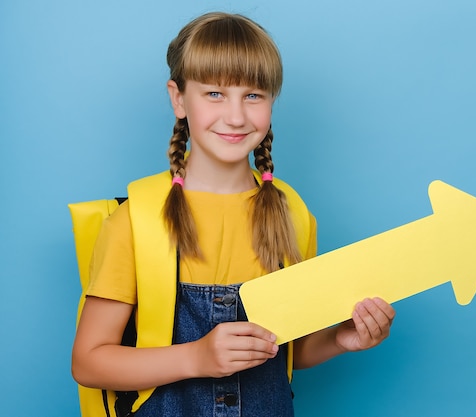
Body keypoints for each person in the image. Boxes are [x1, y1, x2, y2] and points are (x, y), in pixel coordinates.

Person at [71, 11, 395, 417]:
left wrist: (342, 339)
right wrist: (196, 357)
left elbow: (291, 349)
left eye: (253, 95)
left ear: (272, 101)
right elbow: (88, 361)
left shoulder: (292, 213)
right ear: (178, 98)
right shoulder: (135, 220)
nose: (237, 116)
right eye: (215, 94)